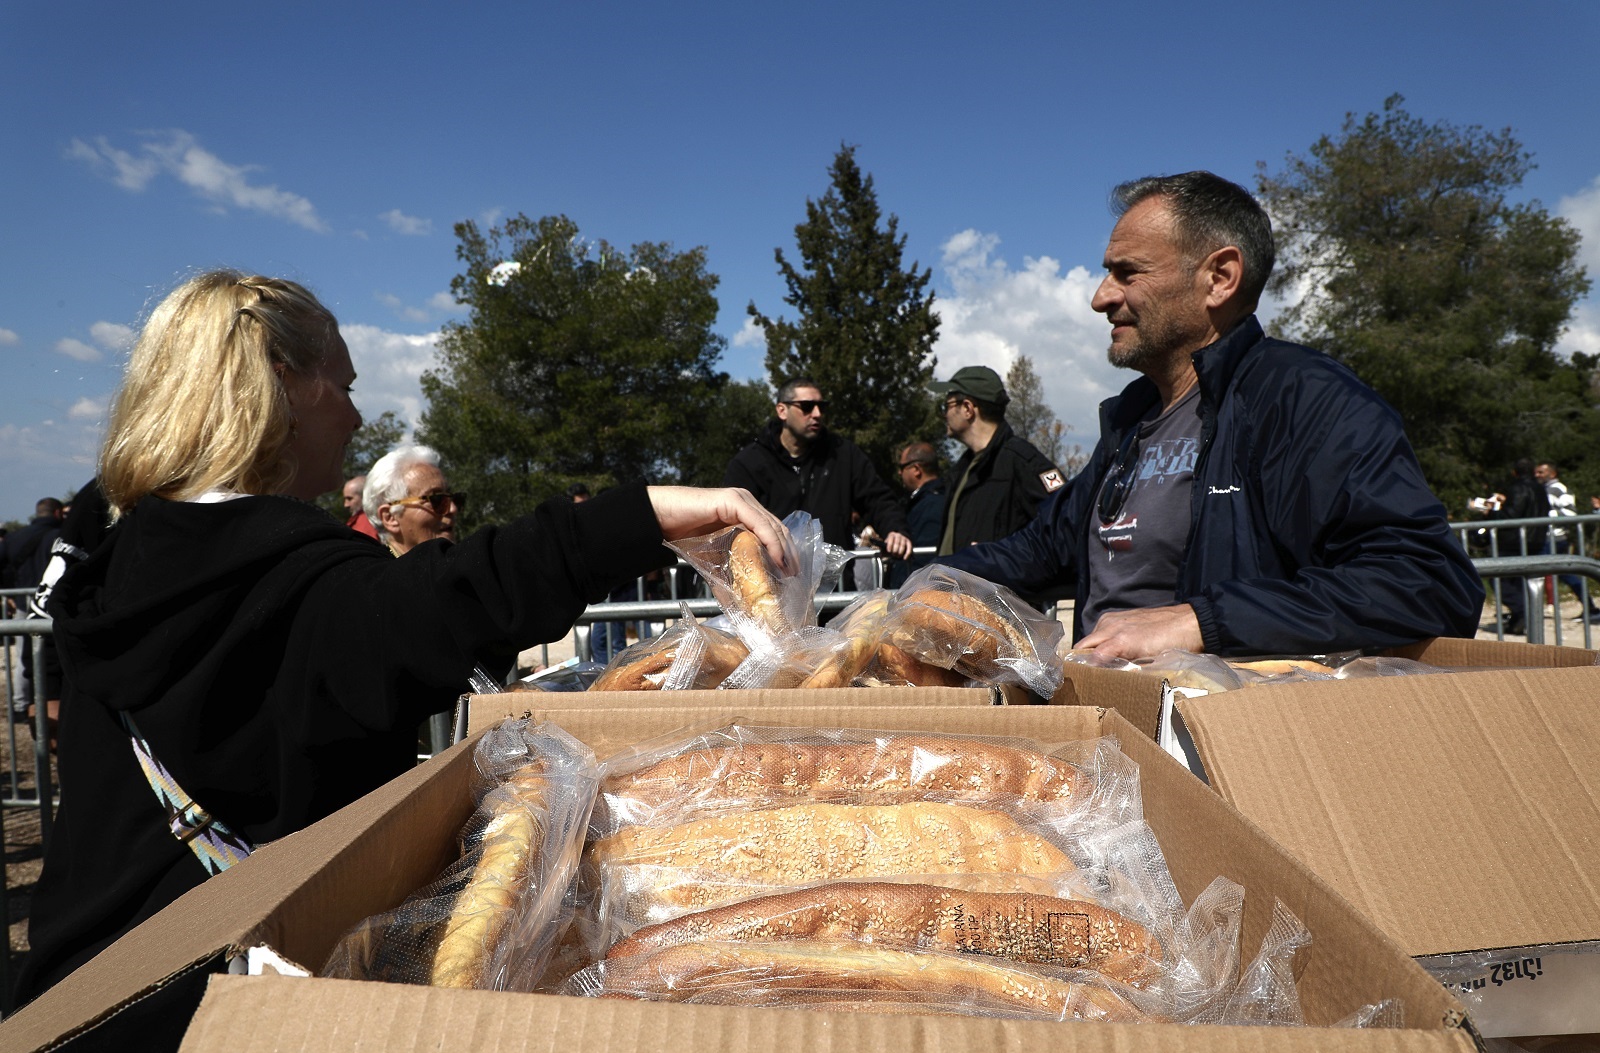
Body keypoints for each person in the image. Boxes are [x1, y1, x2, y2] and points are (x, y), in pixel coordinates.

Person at [16, 269, 794, 1007]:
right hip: (212, 1008)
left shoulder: (119, 562)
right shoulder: (285, 577)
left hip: (86, 984)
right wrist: (638, 516)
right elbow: (439, 606)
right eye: (345, 385)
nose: (355, 418)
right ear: (280, 379)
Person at [940, 171, 1481, 659]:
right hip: (1110, 726)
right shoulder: (1130, 420)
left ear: (1219, 277)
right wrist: (913, 586)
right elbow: (1041, 549)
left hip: (1230, 741)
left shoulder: (1302, 399)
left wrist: (1202, 622)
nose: (1100, 297)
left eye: (1127, 273)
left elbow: (1428, 582)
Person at [724, 377, 912, 587]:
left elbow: (877, 498)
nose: (817, 414)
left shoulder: (844, 454)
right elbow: (731, 523)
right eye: (806, 407)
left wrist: (895, 529)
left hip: (836, 589)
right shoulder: (748, 463)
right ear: (782, 411)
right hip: (773, 591)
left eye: (821, 406)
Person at [930, 365, 1063, 556]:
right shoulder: (963, 469)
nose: (944, 414)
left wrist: (1003, 554)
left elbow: (1063, 528)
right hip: (952, 584)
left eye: (947, 406)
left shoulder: (1023, 461)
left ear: (968, 408)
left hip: (1000, 586)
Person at [1, 497, 66, 715]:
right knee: (52, 660)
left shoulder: (14, 538)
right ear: (57, 513)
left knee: (23, 658)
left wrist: (7, 593)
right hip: (49, 604)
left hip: (22, 602)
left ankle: (21, 704)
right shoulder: (60, 536)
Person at [1483, 459, 1550, 636]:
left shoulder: (1518, 488)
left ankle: (1522, 612)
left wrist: (1492, 511)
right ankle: (1519, 619)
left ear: (1515, 472)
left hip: (1515, 541)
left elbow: (1509, 516)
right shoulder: (1540, 488)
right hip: (1536, 539)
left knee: (1498, 577)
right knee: (1520, 581)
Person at [1533, 461, 1600, 622]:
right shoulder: (1544, 489)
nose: (1537, 475)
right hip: (1548, 538)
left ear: (1552, 473)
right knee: (1564, 573)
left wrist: (1544, 516)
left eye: (1541, 472)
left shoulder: (1559, 489)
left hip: (1555, 538)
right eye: (1536, 472)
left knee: (1546, 572)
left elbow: (1570, 514)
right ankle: (1590, 606)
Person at [363, 445, 460, 556]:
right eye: (436, 499)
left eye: (452, 498)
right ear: (390, 517)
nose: (453, 508)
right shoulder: (381, 572)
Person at [886, 441, 945, 588]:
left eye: (902, 467)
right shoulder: (925, 500)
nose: (899, 473)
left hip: (918, 593)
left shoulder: (931, 504)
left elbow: (924, 558)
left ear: (916, 469)